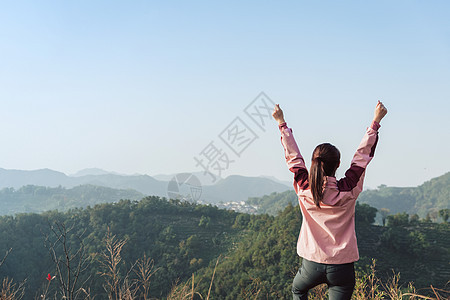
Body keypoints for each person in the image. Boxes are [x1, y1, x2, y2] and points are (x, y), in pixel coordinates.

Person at [272, 101, 388, 300]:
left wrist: (281, 123)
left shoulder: (304, 188)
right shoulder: (349, 188)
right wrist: (375, 122)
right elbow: (361, 158)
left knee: (298, 290)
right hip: (342, 267)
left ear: (313, 163)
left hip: (311, 264)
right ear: (338, 164)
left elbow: (293, 159)